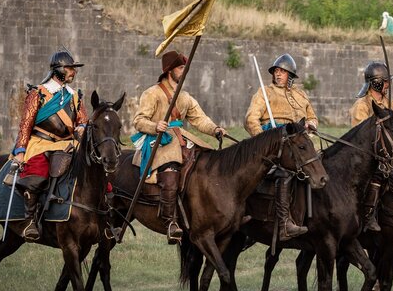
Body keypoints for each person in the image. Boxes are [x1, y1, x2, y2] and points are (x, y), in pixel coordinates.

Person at [132, 50, 226, 244]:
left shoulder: (185, 97)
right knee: (170, 170)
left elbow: (200, 119)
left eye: (185, 67)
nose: (184, 71)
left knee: (207, 163)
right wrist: (155, 126)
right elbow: (139, 121)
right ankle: (170, 222)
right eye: (181, 68)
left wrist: (215, 129)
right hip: (160, 142)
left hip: (182, 138)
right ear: (169, 71)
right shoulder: (152, 93)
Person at [11, 49, 88, 241]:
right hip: (42, 144)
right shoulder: (38, 93)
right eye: (70, 68)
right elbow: (26, 124)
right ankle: (30, 221)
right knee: (37, 173)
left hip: (68, 144)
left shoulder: (75, 96)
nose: (74, 72)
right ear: (59, 69)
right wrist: (20, 151)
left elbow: (83, 120)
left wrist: (82, 128)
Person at [245, 53, 318, 240]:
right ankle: (285, 223)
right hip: (274, 144)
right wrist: (264, 140)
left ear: (290, 75)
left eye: (282, 72)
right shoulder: (264, 92)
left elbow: (312, 117)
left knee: (321, 166)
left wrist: (311, 125)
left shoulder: (301, 95)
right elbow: (251, 119)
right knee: (285, 171)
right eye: (276, 71)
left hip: (299, 144)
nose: (278, 74)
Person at [349, 61, 393, 232]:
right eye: (385, 82)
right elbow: (360, 136)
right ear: (376, 82)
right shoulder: (361, 105)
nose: (388, 85)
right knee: (378, 176)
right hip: (368, 155)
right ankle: (368, 216)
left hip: (388, 153)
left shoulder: (389, 103)